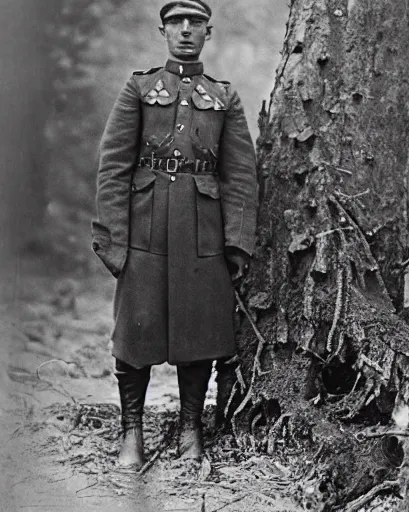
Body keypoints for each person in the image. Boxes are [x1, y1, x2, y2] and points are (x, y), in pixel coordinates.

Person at [92, 0, 258, 471]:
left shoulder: (224, 97)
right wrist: (112, 239)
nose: (186, 31)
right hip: (145, 227)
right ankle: (132, 431)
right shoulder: (140, 88)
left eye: (196, 23)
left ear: (209, 32)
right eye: (176, 23)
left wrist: (236, 241)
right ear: (162, 31)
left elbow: (241, 175)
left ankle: (191, 429)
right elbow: (114, 166)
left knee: (199, 332)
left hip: (202, 232)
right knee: (135, 333)